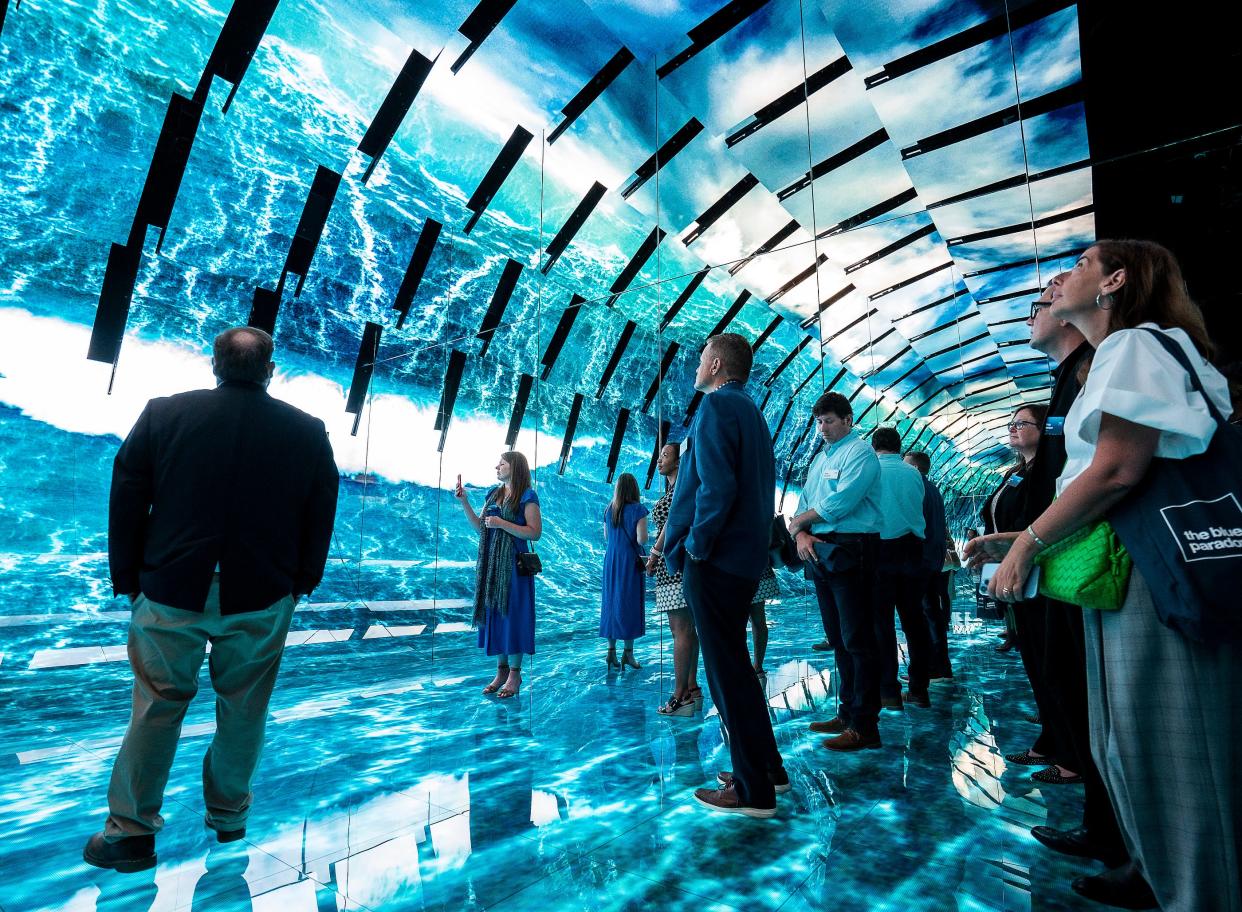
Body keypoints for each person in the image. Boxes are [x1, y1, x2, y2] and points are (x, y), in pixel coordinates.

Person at [970, 240, 1238, 911]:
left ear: (1116, 281)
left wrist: (1028, 544)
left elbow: (1119, 469)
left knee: (1178, 758)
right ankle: (1161, 878)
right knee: (1131, 746)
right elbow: (1108, 478)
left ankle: (1198, 893)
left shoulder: (1136, 345)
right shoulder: (1122, 355)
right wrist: (1020, 537)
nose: (1057, 280)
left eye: (1079, 266)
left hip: (1157, 570)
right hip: (1128, 564)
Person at [83, 327, 339, 873]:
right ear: (270, 370)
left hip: (171, 589)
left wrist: (126, 578)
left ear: (215, 366)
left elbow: (127, 497)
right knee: (245, 710)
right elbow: (320, 514)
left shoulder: (163, 414)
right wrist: (302, 583)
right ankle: (229, 820)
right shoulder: (308, 431)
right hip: (261, 595)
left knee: (157, 705)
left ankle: (130, 835)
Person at [1020, 278, 1129, 872]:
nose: (1034, 312)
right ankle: (1106, 827)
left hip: (1090, 553)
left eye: (1038, 306)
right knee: (1080, 684)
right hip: (1067, 551)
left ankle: (1118, 837)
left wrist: (1029, 542)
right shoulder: (1069, 378)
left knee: (1096, 692)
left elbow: (1105, 470)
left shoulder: (1102, 363)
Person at [662, 333, 784, 817]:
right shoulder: (751, 411)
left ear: (714, 363)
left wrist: (696, 546)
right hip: (744, 558)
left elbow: (715, 487)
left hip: (716, 560)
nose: (695, 366)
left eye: (698, 358)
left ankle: (753, 791)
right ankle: (766, 767)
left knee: (726, 674)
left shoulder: (714, 408)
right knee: (737, 670)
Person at [789, 391, 883, 752]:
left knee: (859, 638)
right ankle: (846, 714)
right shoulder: (818, 461)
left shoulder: (861, 454)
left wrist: (801, 523)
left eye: (829, 420)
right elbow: (803, 503)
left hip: (852, 548)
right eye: (819, 421)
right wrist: (802, 534)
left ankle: (865, 726)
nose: (823, 428)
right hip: (820, 549)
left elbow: (840, 502)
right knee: (839, 638)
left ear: (847, 419)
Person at [455, 452, 542, 700]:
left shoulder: (527, 496)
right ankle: (501, 672)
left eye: (502, 463)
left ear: (514, 468)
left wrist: (502, 523)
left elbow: (535, 533)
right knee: (496, 616)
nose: (497, 466)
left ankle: (515, 674)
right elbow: (481, 528)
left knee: (513, 617)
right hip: (491, 568)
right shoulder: (493, 494)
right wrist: (465, 502)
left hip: (514, 567)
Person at [869, 427, 931, 709]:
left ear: (874, 446)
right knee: (914, 621)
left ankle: (889, 692)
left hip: (880, 551)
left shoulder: (870, 470)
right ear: (899, 447)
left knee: (881, 623)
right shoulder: (915, 474)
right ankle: (919, 688)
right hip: (913, 550)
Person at [646, 442, 702, 715]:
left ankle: (680, 696)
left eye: (665, 456)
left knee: (680, 630)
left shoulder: (680, 488)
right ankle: (691, 687)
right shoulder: (679, 487)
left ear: (679, 462)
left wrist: (654, 554)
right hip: (680, 563)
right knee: (688, 630)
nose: (659, 460)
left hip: (673, 566)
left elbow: (671, 524)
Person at [905, 450, 953, 680]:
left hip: (921, 559)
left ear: (913, 468)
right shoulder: (934, 489)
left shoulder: (917, 488)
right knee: (933, 611)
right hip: (934, 558)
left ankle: (930, 666)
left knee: (924, 614)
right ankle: (940, 664)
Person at [600, 472, 648, 669]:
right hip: (629, 561)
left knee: (611, 603)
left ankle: (611, 652)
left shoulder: (608, 510)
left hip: (611, 560)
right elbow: (641, 540)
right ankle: (628, 654)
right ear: (634, 489)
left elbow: (606, 537)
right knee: (629, 604)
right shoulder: (639, 510)